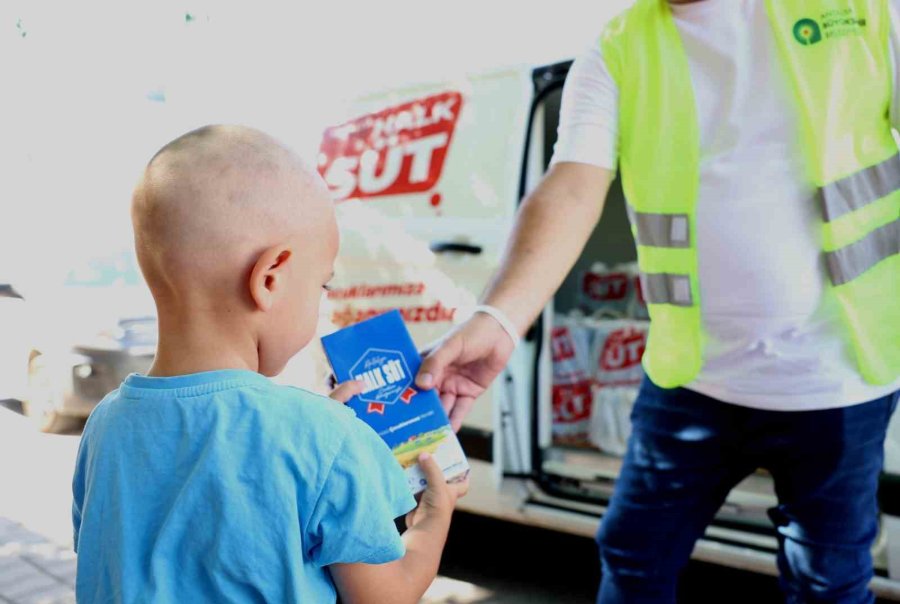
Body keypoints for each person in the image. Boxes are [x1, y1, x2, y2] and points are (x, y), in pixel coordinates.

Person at [416, 0, 900, 601]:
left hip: (838, 377)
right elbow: (571, 187)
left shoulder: (864, 10)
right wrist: (498, 319)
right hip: (693, 377)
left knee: (827, 581)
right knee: (633, 553)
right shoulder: (620, 45)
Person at [72, 125, 467, 603]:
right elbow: (385, 597)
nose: (322, 301)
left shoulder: (105, 426)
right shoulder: (326, 437)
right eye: (321, 285)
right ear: (271, 277)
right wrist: (434, 517)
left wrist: (318, 427)